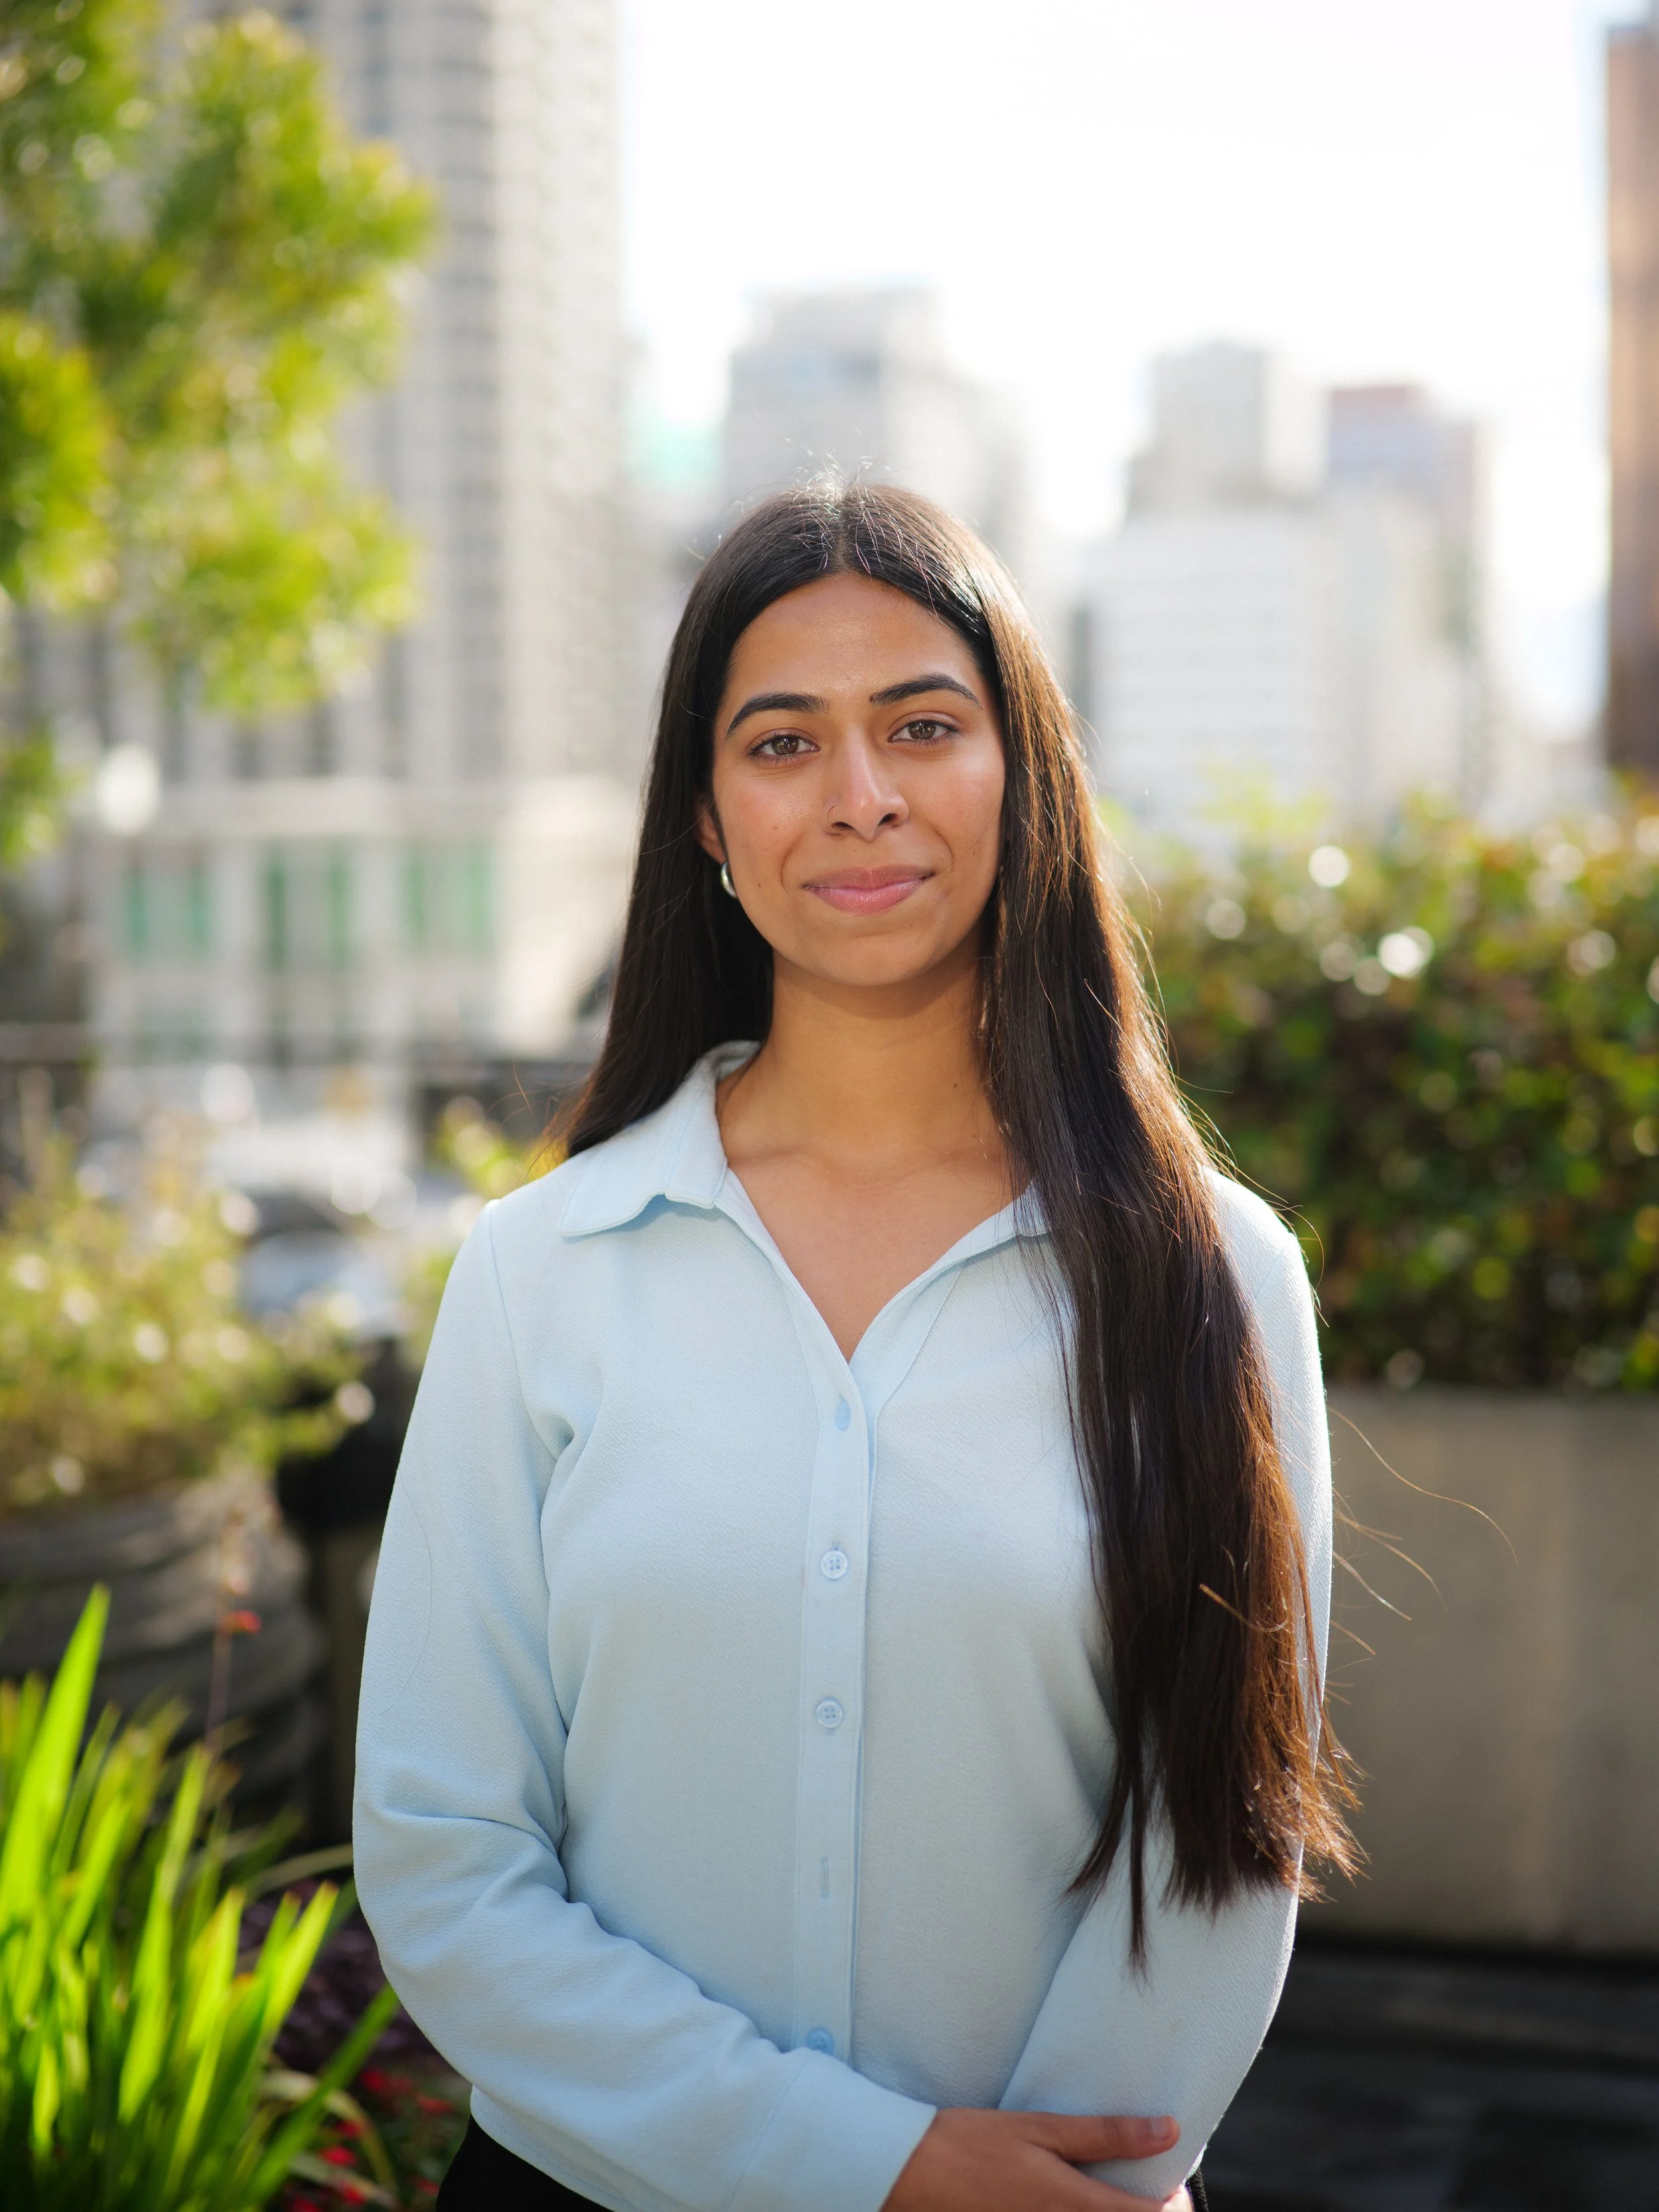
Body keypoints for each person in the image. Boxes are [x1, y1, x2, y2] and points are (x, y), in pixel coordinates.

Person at [354, 483, 1352, 2212]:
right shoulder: (539, 1276)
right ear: (705, 820)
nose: (860, 795)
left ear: (1017, 774)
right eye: (781, 741)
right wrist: (867, 2169)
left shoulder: (1215, 1278)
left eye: (920, 724)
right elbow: (448, 1861)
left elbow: (1220, 1840)